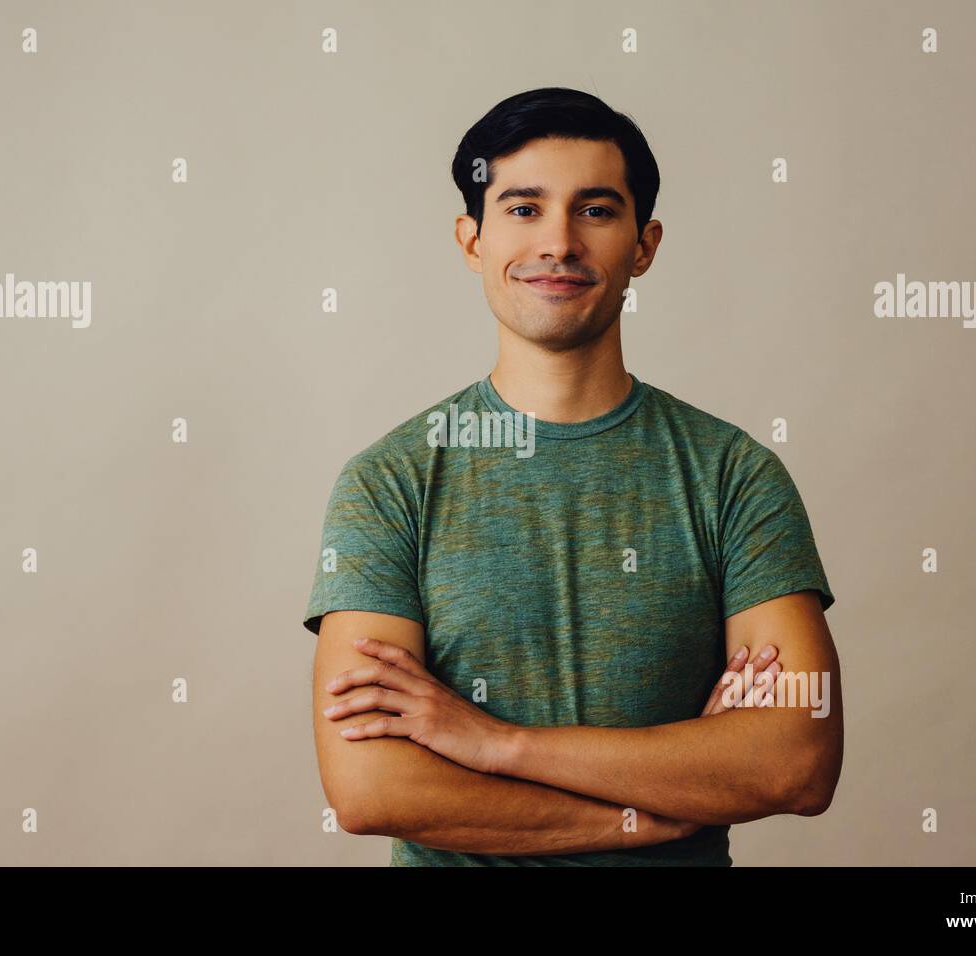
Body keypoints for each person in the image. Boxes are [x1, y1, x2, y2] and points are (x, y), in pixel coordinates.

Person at [303, 87, 843, 866]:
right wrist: (651, 810)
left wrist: (494, 743)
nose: (558, 242)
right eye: (523, 209)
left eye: (595, 210)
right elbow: (372, 790)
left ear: (645, 244)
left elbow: (797, 762)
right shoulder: (390, 482)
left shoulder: (735, 476)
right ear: (470, 240)